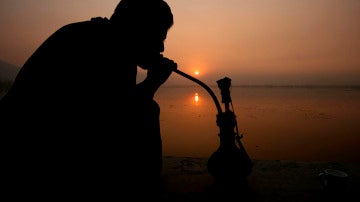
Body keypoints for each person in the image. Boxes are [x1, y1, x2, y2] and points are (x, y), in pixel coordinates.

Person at [0, 0, 177, 199]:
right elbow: (110, 117)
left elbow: (116, 103)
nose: (161, 48)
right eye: (158, 37)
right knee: (147, 112)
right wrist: (151, 83)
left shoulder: (99, 38)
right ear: (138, 30)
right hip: (26, 146)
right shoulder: (104, 50)